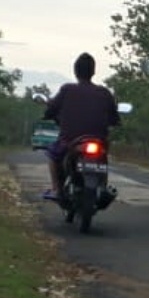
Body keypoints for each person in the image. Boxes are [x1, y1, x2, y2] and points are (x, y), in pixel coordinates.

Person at [42, 52, 122, 200]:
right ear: (93, 71)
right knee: (103, 157)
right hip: (99, 141)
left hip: (70, 141)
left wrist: (48, 113)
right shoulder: (104, 93)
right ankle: (103, 186)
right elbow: (114, 118)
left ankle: (56, 190)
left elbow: (51, 109)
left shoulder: (67, 90)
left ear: (75, 71)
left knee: (53, 156)